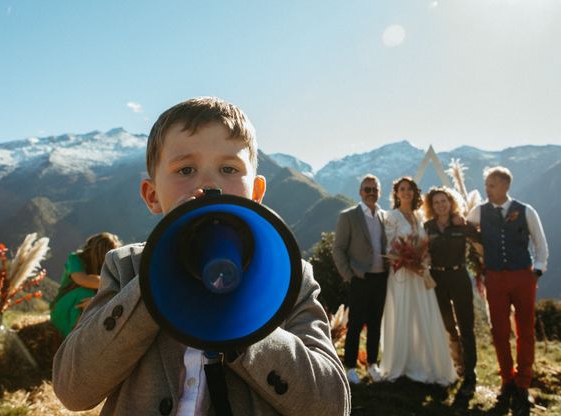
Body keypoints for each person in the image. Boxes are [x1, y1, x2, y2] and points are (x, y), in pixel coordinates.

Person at [53, 97, 350, 415]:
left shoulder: (289, 276)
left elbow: (332, 406)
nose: (209, 185)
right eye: (185, 169)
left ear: (257, 193)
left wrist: (243, 321)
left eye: (228, 168)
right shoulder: (125, 267)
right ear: (152, 196)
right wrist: (155, 283)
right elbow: (74, 390)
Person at [467, 166, 549, 416]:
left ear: (505, 185)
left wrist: (536, 271)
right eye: (486, 185)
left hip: (523, 276)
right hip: (494, 278)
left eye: (491, 185)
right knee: (499, 331)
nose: (487, 190)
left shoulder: (525, 211)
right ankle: (507, 379)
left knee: (525, 330)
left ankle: (523, 382)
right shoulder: (479, 211)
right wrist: (480, 260)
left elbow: (540, 243)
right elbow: (466, 231)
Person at [379, 176, 457, 386]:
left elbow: (424, 245)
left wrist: (423, 261)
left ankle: (423, 362)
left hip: (421, 275)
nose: (406, 192)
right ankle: (400, 364)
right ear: (396, 193)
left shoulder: (418, 217)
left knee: (422, 315)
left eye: (410, 189)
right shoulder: (392, 216)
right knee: (403, 313)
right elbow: (388, 248)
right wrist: (407, 262)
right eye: (402, 189)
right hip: (402, 275)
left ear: (414, 193)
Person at [423, 187, 479, 395]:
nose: (440, 205)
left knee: (466, 325)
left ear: (450, 202)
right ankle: (457, 365)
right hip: (437, 279)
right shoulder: (427, 227)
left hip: (459, 277)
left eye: (443, 201)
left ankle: (470, 374)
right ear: (431, 206)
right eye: (436, 202)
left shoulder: (460, 224)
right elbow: (422, 251)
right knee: (447, 326)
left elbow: (479, 241)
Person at [332, 174, 387, 385]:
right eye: (367, 189)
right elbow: (338, 249)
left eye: (374, 189)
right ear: (360, 192)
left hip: (381, 278)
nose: (371, 193)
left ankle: (372, 365)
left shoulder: (383, 216)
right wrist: (349, 275)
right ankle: (351, 367)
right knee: (355, 325)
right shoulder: (349, 217)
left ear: (379, 192)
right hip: (360, 279)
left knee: (375, 323)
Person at [50, 232, 122, 337]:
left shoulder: (104, 269)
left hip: (83, 313)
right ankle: (73, 337)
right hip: (62, 311)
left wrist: (94, 301)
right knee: (85, 292)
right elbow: (82, 280)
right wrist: (113, 282)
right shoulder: (75, 259)